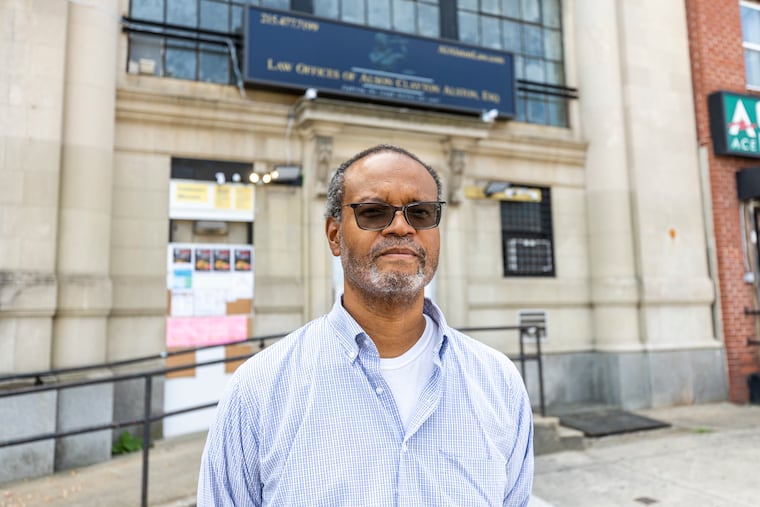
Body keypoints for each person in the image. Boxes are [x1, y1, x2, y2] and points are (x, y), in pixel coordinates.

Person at [197, 144, 534, 506]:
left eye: (420, 213)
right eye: (374, 212)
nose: (402, 227)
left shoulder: (499, 383)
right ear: (334, 235)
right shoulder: (260, 389)